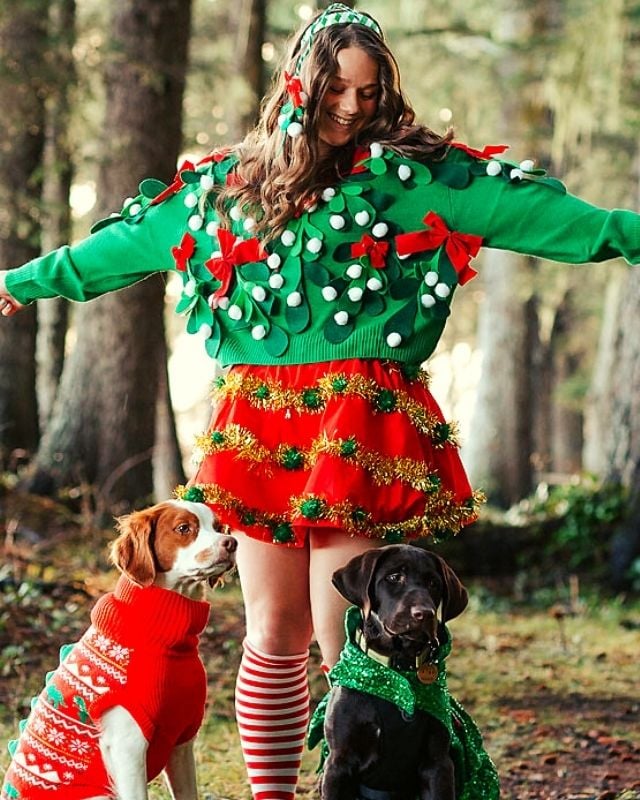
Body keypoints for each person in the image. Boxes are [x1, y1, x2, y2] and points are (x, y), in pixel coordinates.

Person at [1, 4, 640, 798]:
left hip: (355, 420)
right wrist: (22, 284)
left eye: (369, 94)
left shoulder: (410, 178)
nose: (349, 106)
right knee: (272, 633)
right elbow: (126, 243)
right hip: (260, 425)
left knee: (343, 641)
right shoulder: (227, 186)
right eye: (335, 86)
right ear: (299, 79)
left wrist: (629, 231)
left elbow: (533, 212)